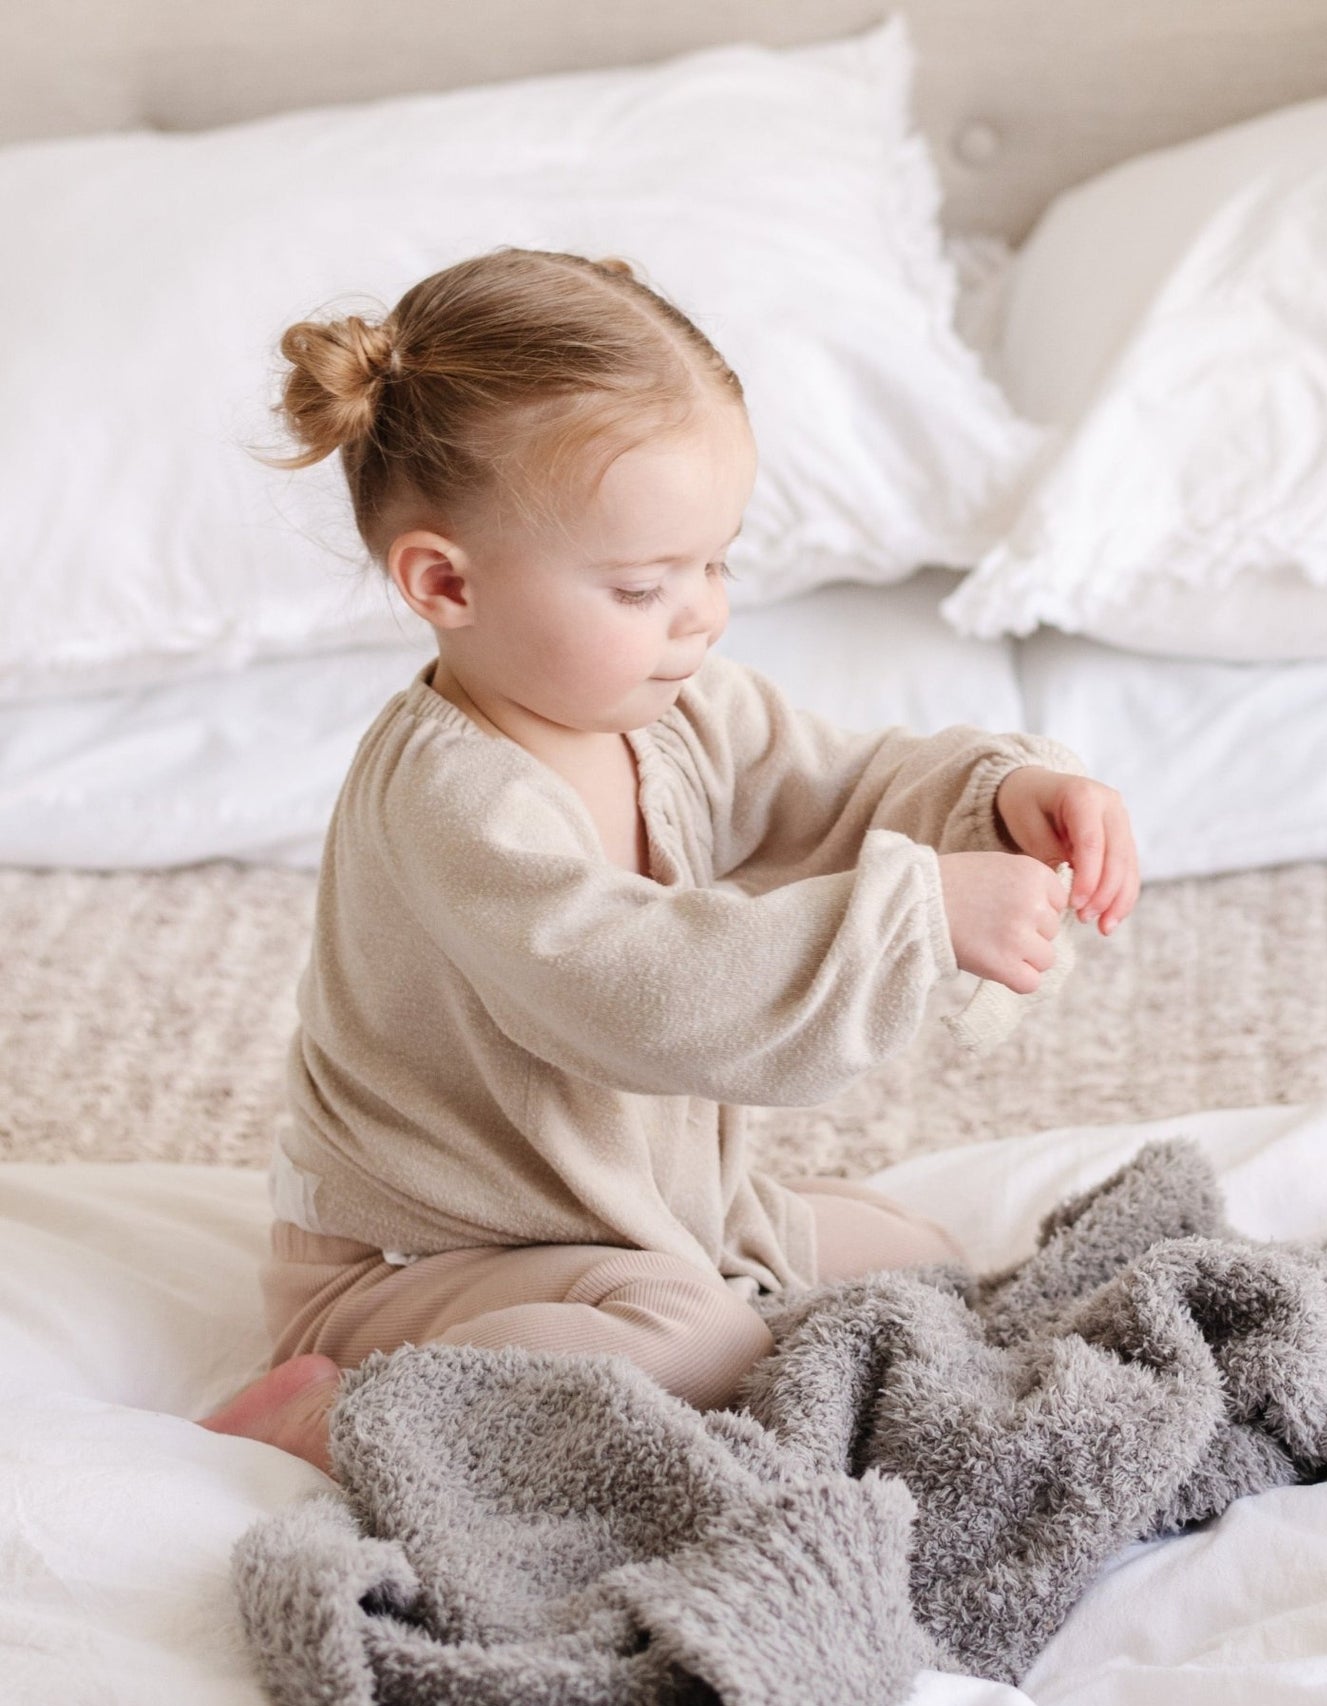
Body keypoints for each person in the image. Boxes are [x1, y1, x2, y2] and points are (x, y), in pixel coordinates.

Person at [198, 248, 1140, 1476]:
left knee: (920, 1260)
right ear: (445, 581)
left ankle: (700, 1276)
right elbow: (634, 988)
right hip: (432, 1254)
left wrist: (999, 794)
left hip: (645, 1207)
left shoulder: (666, 707)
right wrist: (916, 917)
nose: (701, 612)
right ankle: (338, 1416)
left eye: (717, 561)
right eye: (643, 583)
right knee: (692, 1344)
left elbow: (836, 785)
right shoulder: (453, 798)